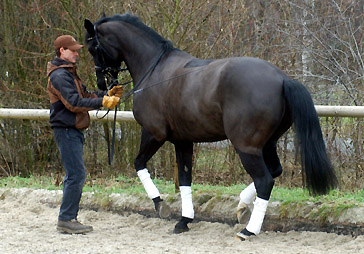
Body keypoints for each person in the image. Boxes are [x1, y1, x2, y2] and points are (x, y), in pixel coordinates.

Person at [47, 35, 123, 234]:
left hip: (72, 129)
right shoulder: (59, 76)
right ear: (62, 51)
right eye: (73, 50)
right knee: (76, 174)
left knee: (75, 174)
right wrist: (102, 102)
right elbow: (73, 102)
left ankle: (67, 217)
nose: (77, 53)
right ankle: (66, 219)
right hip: (66, 129)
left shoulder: (68, 73)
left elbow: (86, 94)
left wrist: (106, 94)